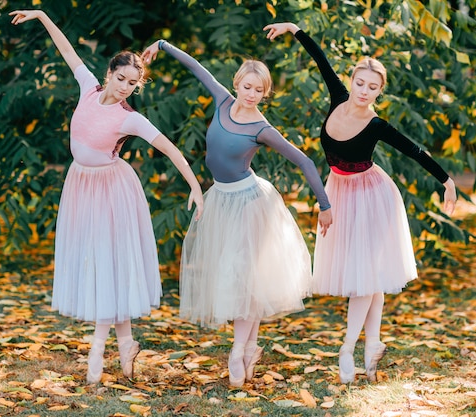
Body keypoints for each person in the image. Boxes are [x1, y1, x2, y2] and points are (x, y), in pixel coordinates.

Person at [9, 9, 204, 384]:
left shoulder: (130, 118)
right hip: (81, 186)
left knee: (106, 265)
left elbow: (170, 149)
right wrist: (42, 15)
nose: (125, 86)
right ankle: (127, 342)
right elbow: (67, 50)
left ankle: (97, 350)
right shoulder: (88, 89)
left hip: (111, 191)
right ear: (109, 74)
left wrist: (195, 185)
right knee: (102, 266)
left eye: (133, 82)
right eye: (121, 78)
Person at [264, 22, 457, 383]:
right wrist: (295, 29)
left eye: (372, 87)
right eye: (360, 83)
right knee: (370, 278)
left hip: (372, 197)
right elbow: (320, 59)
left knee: (367, 278)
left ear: (380, 91)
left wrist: (445, 179)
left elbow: (414, 150)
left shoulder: (377, 124)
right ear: (351, 82)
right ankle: (373, 345)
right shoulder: (338, 98)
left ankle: (348, 348)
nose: (364, 91)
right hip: (338, 191)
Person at [141, 39, 333, 387]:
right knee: (246, 281)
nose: (251, 94)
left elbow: (304, 161)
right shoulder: (222, 101)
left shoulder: (262, 129)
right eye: (247, 86)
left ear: (265, 93)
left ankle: (236, 351)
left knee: (244, 280)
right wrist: (161, 45)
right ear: (236, 84)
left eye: (259, 90)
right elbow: (196, 67)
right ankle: (250, 349)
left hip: (251, 204)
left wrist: (324, 204)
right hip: (221, 199)